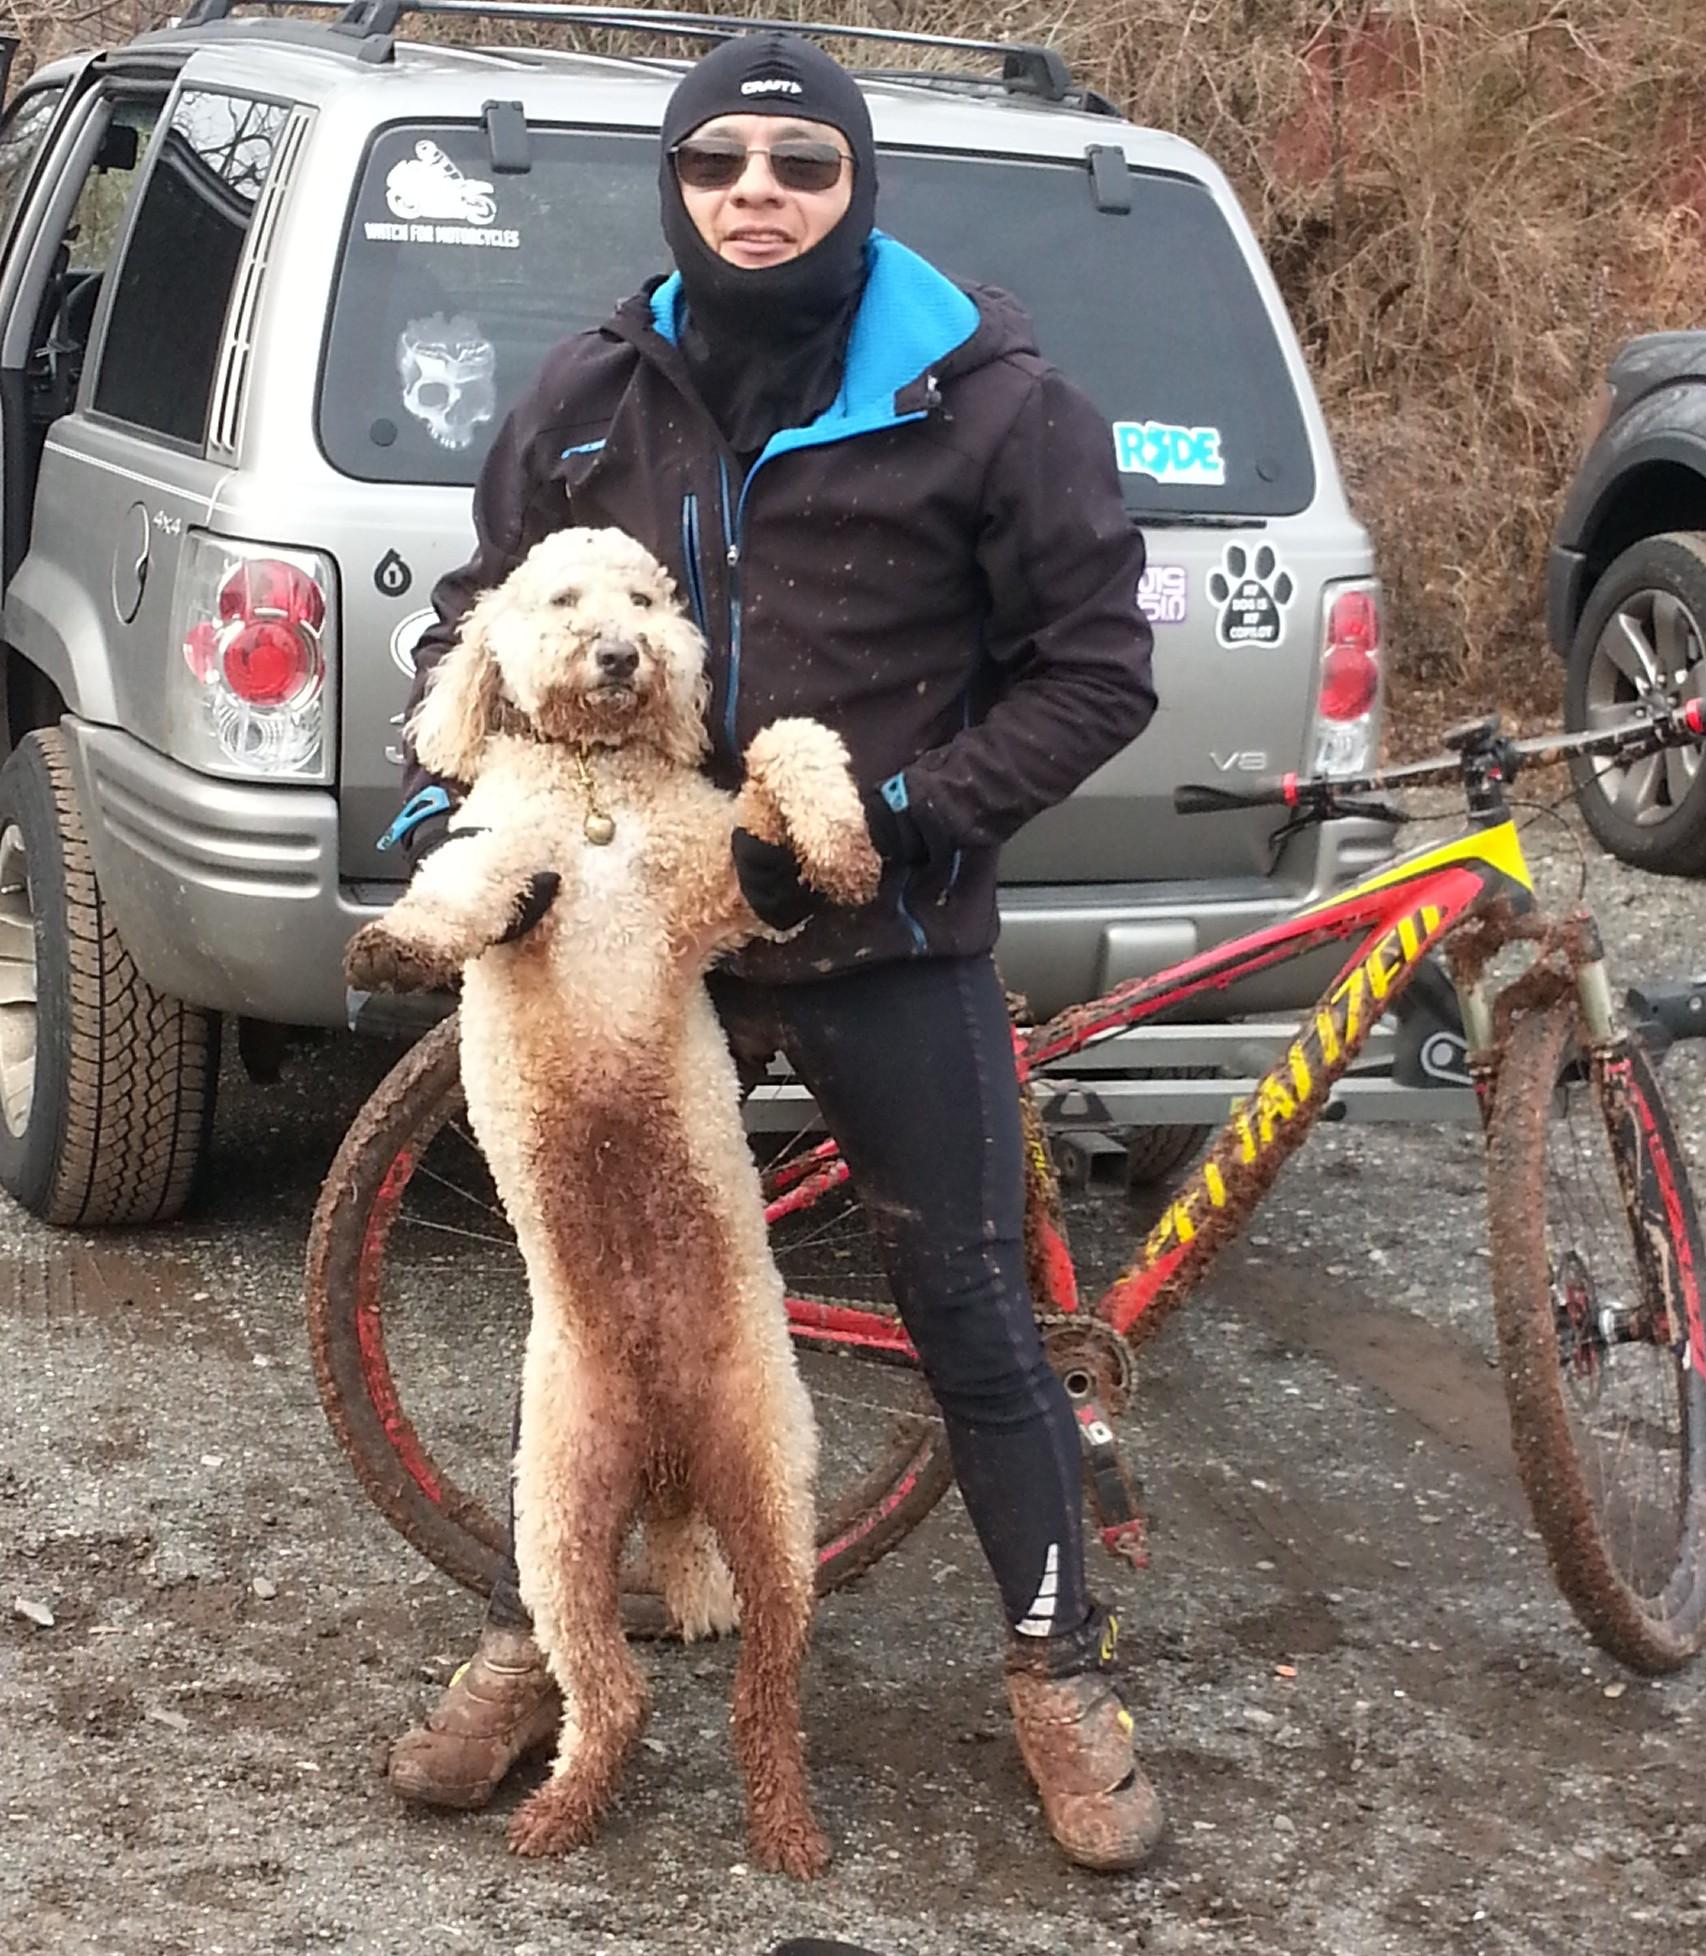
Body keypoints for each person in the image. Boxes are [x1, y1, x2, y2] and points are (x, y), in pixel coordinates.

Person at [380, 32, 1162, 1872]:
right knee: (591, 1305)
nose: (756, 191)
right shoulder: (591, 387)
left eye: (800, 164)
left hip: (884, 923)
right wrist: (443, 819)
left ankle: (1060, 1680)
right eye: (719, 160)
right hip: (626, 928)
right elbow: (473, 626)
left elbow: (1098, 672)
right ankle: (540, 1635)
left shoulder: (988, 402)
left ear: (856, 185)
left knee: (970, 1308)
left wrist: (901, 821)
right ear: (675, 180)